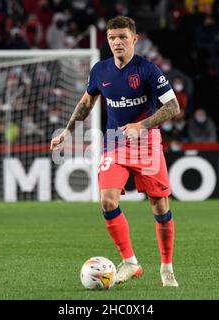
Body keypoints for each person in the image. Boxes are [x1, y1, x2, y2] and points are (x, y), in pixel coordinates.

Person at [50, 16, 181, 287]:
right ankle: (130, 262)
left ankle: (166, 266)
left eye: (122, 37)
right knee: (108, 201)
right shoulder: (100, 70)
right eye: (112, 38)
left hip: (146, 144)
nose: (117, 42)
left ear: (135, 39)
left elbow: (173, 107)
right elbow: (87, 103)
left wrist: (141, 125)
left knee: (159, 206)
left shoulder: (148, 70)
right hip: (114, 142)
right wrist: (67, 130)